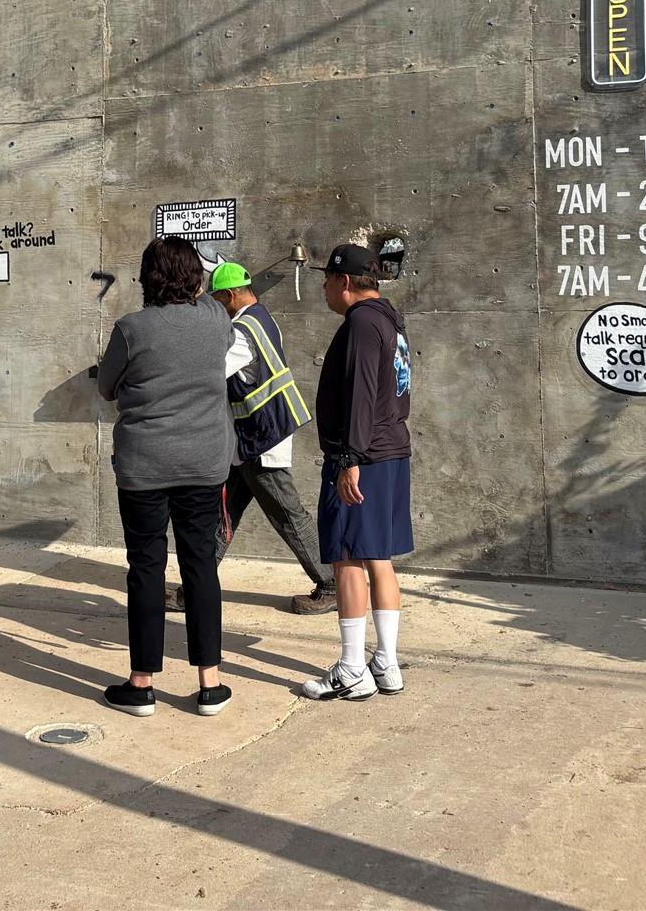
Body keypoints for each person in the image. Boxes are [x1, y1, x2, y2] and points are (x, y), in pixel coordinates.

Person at [95, 236, 234, 718]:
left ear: (146, 279)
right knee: (201, 566)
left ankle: (142, 685)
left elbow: (107, 387)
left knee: (146, 569)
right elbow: (216, 292)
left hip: (144, 465)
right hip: (204, 463)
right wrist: (206, 274)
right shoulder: (215, 320)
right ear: (195, 277)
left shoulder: (131, 329)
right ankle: (210, 683)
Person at [168, 262, 336, 615]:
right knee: (220, 518)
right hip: (249, 440)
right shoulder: (261, 318)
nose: (215, 307)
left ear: (230, 295)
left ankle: (332, 584)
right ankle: (192, 590)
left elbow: (210, 373)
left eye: (217, 300)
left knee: (288, 515)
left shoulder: (243, 333)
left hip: (261, 441)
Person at [300, 243, 414, 702]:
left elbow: (362, 393)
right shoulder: (389, 320)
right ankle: (386, 663)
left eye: (326, 279)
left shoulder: (362, 323)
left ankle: (351, 669)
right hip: (389, 452)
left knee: (346, 556)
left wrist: (349, 459)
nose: (324, 288)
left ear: (344, 281)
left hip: (362, 458)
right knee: (378, 556)